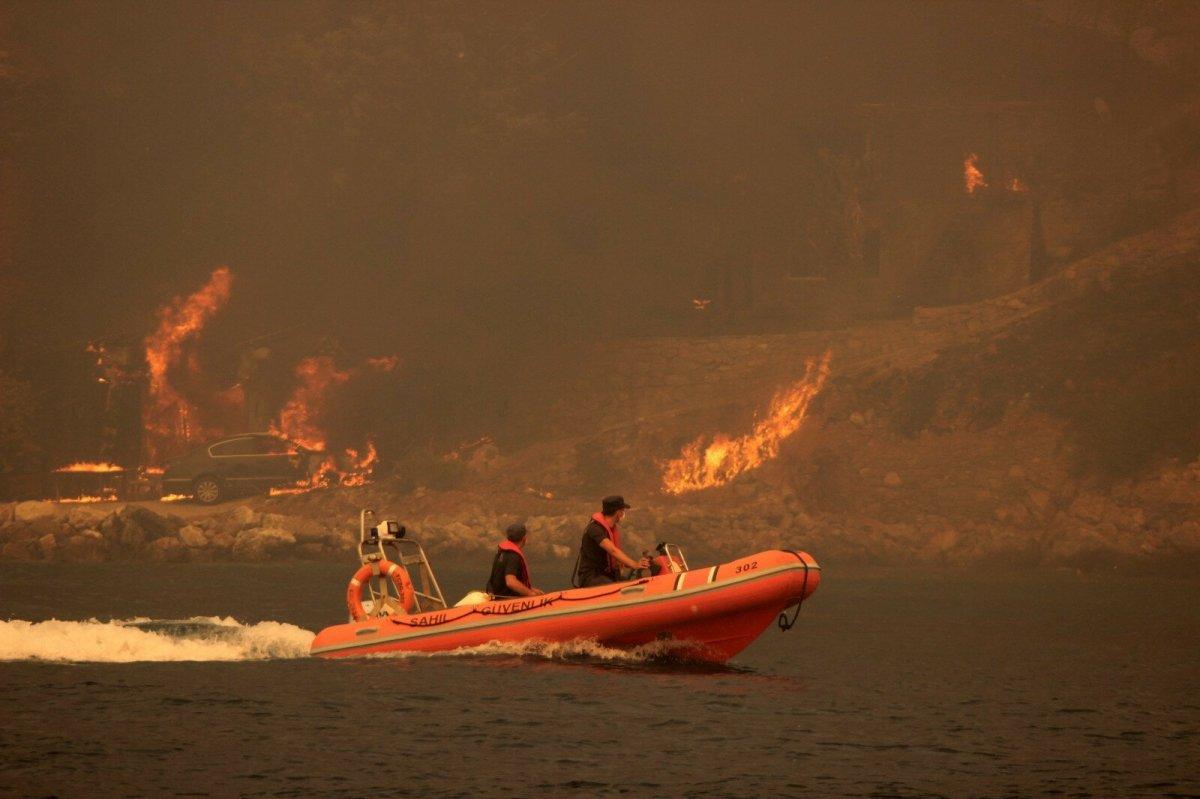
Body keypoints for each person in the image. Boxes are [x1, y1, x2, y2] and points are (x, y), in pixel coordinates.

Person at [574, 495, 649, 587]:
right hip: (591, 577)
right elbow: (613, 550)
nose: (623, 514)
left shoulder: (610, 529)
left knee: (636, 585)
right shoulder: (595, 529)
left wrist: (638, 563)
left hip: (606, 575)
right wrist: (634, 564)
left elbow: (615, 559)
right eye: (623, 511)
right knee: (619, 588)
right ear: (618, 513)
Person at [486, 522, 543, 598]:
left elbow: (499, 582)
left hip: (496, 596)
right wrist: (531, 594)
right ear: (524, 538)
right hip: (506, 600)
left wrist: (530, 589)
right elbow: (511, 582)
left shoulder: (502, 552)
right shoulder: (513, 555)